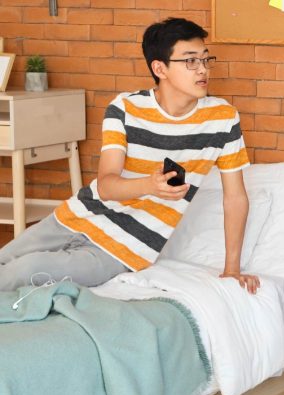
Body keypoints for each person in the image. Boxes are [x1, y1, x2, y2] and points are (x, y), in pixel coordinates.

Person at [0, 18, 261, 294]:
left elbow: (235, 197)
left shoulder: (222, 118)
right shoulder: (125, 107)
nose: (203, 70)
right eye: (190, 61)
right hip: (76, 216)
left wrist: (232, 269)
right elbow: (106, 185)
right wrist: (149, 185)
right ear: (159, 68)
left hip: (124, 249)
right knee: (5, 260)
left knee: (25, 271)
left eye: (206, 60)